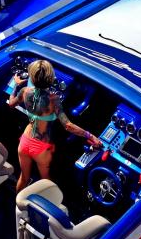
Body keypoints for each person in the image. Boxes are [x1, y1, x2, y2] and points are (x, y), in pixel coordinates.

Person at [8, 59, 101, 192]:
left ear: (32, 78)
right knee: (46, 182)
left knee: (23, 178)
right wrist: (89, 135)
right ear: (50, 79)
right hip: (41, 147)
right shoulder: (54, 99)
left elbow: (11, 104)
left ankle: (17, 202)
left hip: (24, 141)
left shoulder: (24, 91)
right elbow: (68, 126)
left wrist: (16, 86)